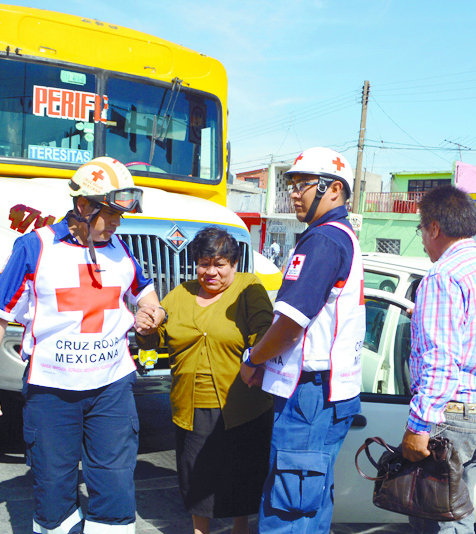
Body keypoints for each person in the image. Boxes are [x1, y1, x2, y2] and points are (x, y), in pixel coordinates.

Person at [0, 157, 166, 534]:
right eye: (110, 214)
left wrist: (153, 312)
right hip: (51, 391)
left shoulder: (119, 248)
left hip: (112, 389)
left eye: (120, 215)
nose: (117, 223)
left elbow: (144, 291)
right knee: (53, 490)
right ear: (83, 205)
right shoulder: (35, 247)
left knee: (115, 488)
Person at [239, 147, 364, 534]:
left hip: (311, 396)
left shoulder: (323, 241)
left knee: (289, 511)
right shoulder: (336, 237)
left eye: (303, 185)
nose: (293, 193)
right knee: (307, 505)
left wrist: (254, 359)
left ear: (334, 190)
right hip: (321, 393)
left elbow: (291, 325)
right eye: (291, 184)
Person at [135, 226, 274, 534]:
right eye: (203, 264)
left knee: (240, 476)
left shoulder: (248, 288)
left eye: (219, 264)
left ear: (234, 264)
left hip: (242, 404)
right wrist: (145, 328)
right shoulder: (180, 295)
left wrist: (255, 360)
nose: (210, 272)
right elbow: (153, 339)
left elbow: (264, 329)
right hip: (191, 406)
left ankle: (240, 529)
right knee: (196, 477)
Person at [401, 184, 476, 534]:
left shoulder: (443, 275)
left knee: (438, 524)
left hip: (450, 419)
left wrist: (419, 426)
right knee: (458, 515)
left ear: (434, 228)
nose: (422, 239)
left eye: (421, 229)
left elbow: (441, 362)